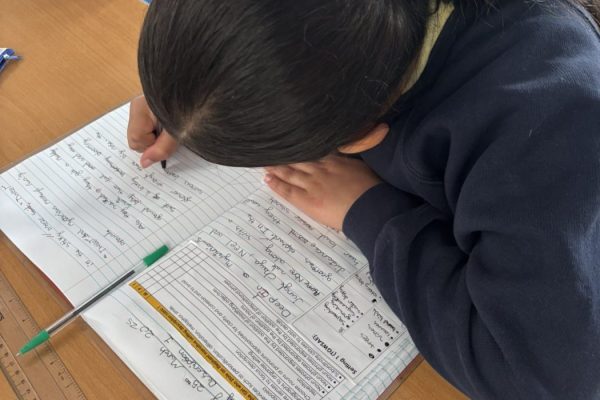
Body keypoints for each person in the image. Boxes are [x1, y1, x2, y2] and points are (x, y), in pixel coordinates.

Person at [126, 0, 600, 398]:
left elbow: (539, 377)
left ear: (359, 139)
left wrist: (369, 210)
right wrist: (198, 92)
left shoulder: (549, 128)